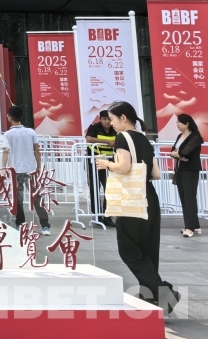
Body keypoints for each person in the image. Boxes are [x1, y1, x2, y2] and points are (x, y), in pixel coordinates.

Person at [96, 101, 179, 312]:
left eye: (112, 119)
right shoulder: (143, 138)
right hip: (148, 195)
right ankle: (150, 297)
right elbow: (156, 174)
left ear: (123, 118)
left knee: (129, 249)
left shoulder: (123, 137)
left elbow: (124, 167)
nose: (111, 123)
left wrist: (106, 164)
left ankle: (165, 294)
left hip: (132, 199)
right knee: (147, 249)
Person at [2, 105, 51, 235]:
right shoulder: (31, 132)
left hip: (15, 170)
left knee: (18, 199)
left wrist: (3, 168)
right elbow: (37, 150)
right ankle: (45, 226)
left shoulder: (7, 134)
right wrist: (39, 166)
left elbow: (6, 152)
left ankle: (20, 224)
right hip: (31, 169)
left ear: (9, 117)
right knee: (36, 198)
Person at [171, 113, 204, 237]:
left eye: (179, 122)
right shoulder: (180, 136)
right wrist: (178, 154)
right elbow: (172, 151)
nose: (177, 124)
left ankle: (189, 228)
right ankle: (195, 226)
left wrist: (179, 154)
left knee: (189, 198)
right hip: (180, 169)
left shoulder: (195, 137)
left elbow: (185, 152)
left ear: (187, 124)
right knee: (184, 198)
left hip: (190, 170)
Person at [85, 110, 117, 227]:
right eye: (104, 119)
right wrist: (107, 141)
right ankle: (97, 215)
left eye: (109, 119)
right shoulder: (94, 127)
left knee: (110, 188)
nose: (107, 122)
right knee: (94, 188)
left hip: (109, 162)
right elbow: (89, 139)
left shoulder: (115, 128)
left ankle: (108, 216)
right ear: (100, 119)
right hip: (95, 161)